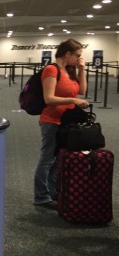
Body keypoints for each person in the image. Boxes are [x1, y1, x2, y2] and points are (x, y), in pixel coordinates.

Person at [33, 38, 89, 210]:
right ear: (67, 54)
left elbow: (81, 90)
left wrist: (81, 69)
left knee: (58, 161)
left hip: (66, 122)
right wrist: (73, 100)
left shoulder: (69, 70)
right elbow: (48, 98)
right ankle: (41, 197)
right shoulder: (51, 69)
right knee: (47, 160)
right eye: (77, 56)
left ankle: (51, 191)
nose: (79, 58)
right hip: (51, 121)